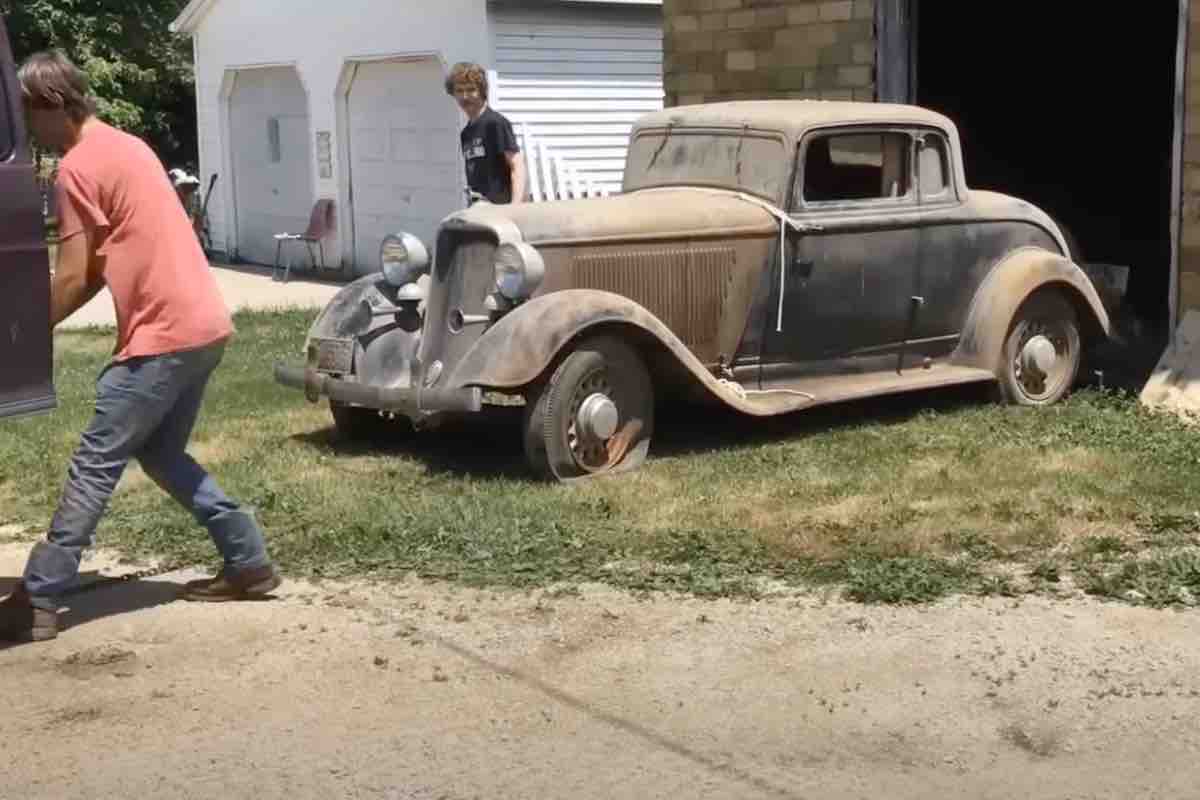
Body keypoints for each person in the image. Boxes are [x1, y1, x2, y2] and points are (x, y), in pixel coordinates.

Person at [0, 51, 281, 643]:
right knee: (161, 454)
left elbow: (74, 275)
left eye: (29, 120)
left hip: (163, 336)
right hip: (205, 326)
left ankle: (41, 596)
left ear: (50, 106)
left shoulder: (78, 168)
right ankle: (248, 559)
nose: (30, 136)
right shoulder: (129, 146)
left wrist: (21, 336)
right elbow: (100, 268)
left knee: (95, 463)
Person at [444, 62, 526, 205]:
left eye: (471, 90)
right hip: (479, 208)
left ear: (482, 91)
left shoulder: (495, 123)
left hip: (500, 209)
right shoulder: (466, 133)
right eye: (459, 90)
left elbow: (517, 165)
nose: (465, 96)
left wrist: (515, 207)